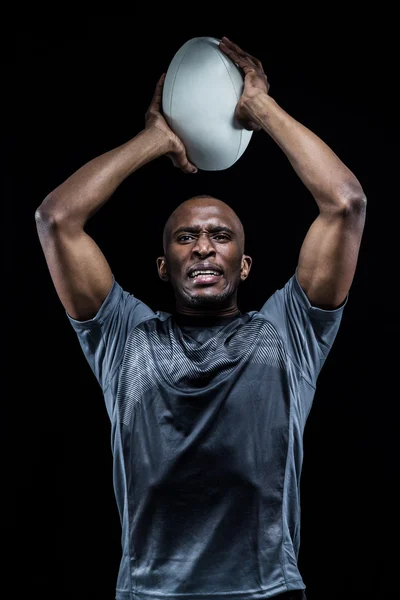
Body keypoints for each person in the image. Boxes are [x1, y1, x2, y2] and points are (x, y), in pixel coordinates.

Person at [35, 36, 366, 600]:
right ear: (164, 266)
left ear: (244, 263)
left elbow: (345, 203)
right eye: (187, 238)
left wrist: (259, 107)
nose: (205, 248)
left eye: (221, 236)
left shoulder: (288, 334)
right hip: (149, 594)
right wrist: (154, 140)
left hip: (267, 594)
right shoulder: (125, 339)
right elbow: (56, 219)